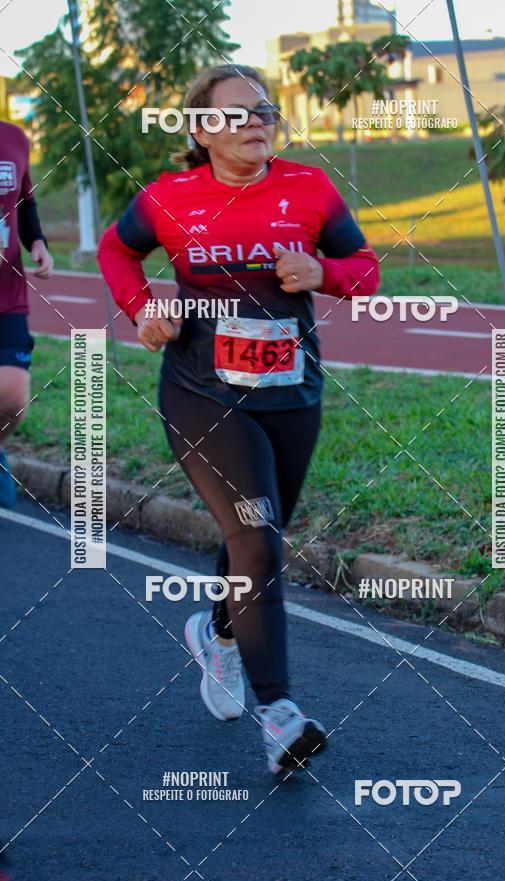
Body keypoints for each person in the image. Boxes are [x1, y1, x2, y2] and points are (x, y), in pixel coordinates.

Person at [98, 64, 380, 775]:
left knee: (256, 537)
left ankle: (217, 636)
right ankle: (280, 714)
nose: (258, 121)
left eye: (265, 109)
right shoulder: (169, 198)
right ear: (201, 130)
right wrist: (144, 310)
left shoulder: (309, 188)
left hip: (292, 392)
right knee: (256, 535)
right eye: (239, 113)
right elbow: (116, 249)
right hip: (202, 391)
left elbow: (366, 268)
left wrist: (324, 275)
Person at [0, 120, 53, 508]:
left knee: (13, 397)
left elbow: (25, 202)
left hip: (7, 291)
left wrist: (37, 242)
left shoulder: (14, 137)